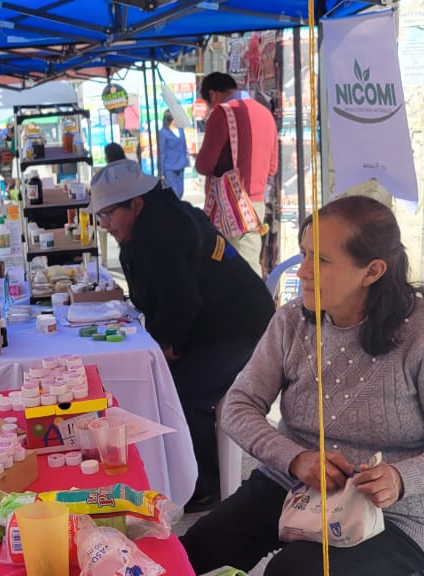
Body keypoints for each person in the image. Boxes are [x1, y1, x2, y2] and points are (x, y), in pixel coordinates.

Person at [181, 195, 424, 575]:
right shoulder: (292, 321)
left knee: (293, 572)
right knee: (189, 554)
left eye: (321, 260)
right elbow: (239, 405)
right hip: (293, 487)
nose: (303, 271)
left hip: (396, 514)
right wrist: (294, 457)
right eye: (304, 253)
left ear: (372, 271)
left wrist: (399, 479)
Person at [90, 158, 275, 514]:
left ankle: (208, 485)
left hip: (241, 329)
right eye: (100, 217)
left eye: (109, 214)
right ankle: (175, 470)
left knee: (182, 391)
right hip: (211, 325)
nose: (105, 225)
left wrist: (168, 342)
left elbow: (182, 298)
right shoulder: (148, 223)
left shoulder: (163, 228)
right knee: (166, 382)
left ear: (137, 204)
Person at [196, 72, 277, 277]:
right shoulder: (266, 113)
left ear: (213, 95)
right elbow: (273, 167)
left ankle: (254, 309)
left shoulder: (222, 113)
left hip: (229, 205)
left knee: (230, 270)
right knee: (250, 264)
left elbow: (204, 165)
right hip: (256, 203)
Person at [158, 110, 189, 199]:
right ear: (171, 120)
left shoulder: (180, 129)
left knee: (181, 191)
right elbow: (162, 152)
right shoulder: (163, 132)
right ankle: (177, 211)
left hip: (181, 164)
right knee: (175, 192)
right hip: (169, 167)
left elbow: (184, 145)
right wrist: (161, 171)